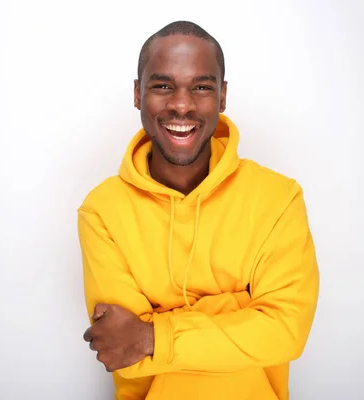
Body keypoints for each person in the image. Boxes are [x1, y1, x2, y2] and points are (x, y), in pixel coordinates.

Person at [78, 20, 319, 400]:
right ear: (138, 94)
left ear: (222, 97)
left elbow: (285, 334)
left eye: (201, 87)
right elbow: (121, 350)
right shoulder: (102, 211)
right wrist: (239, 310)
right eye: (162, 85)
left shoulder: (278, 198)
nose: (182, 104)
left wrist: (153, 334)